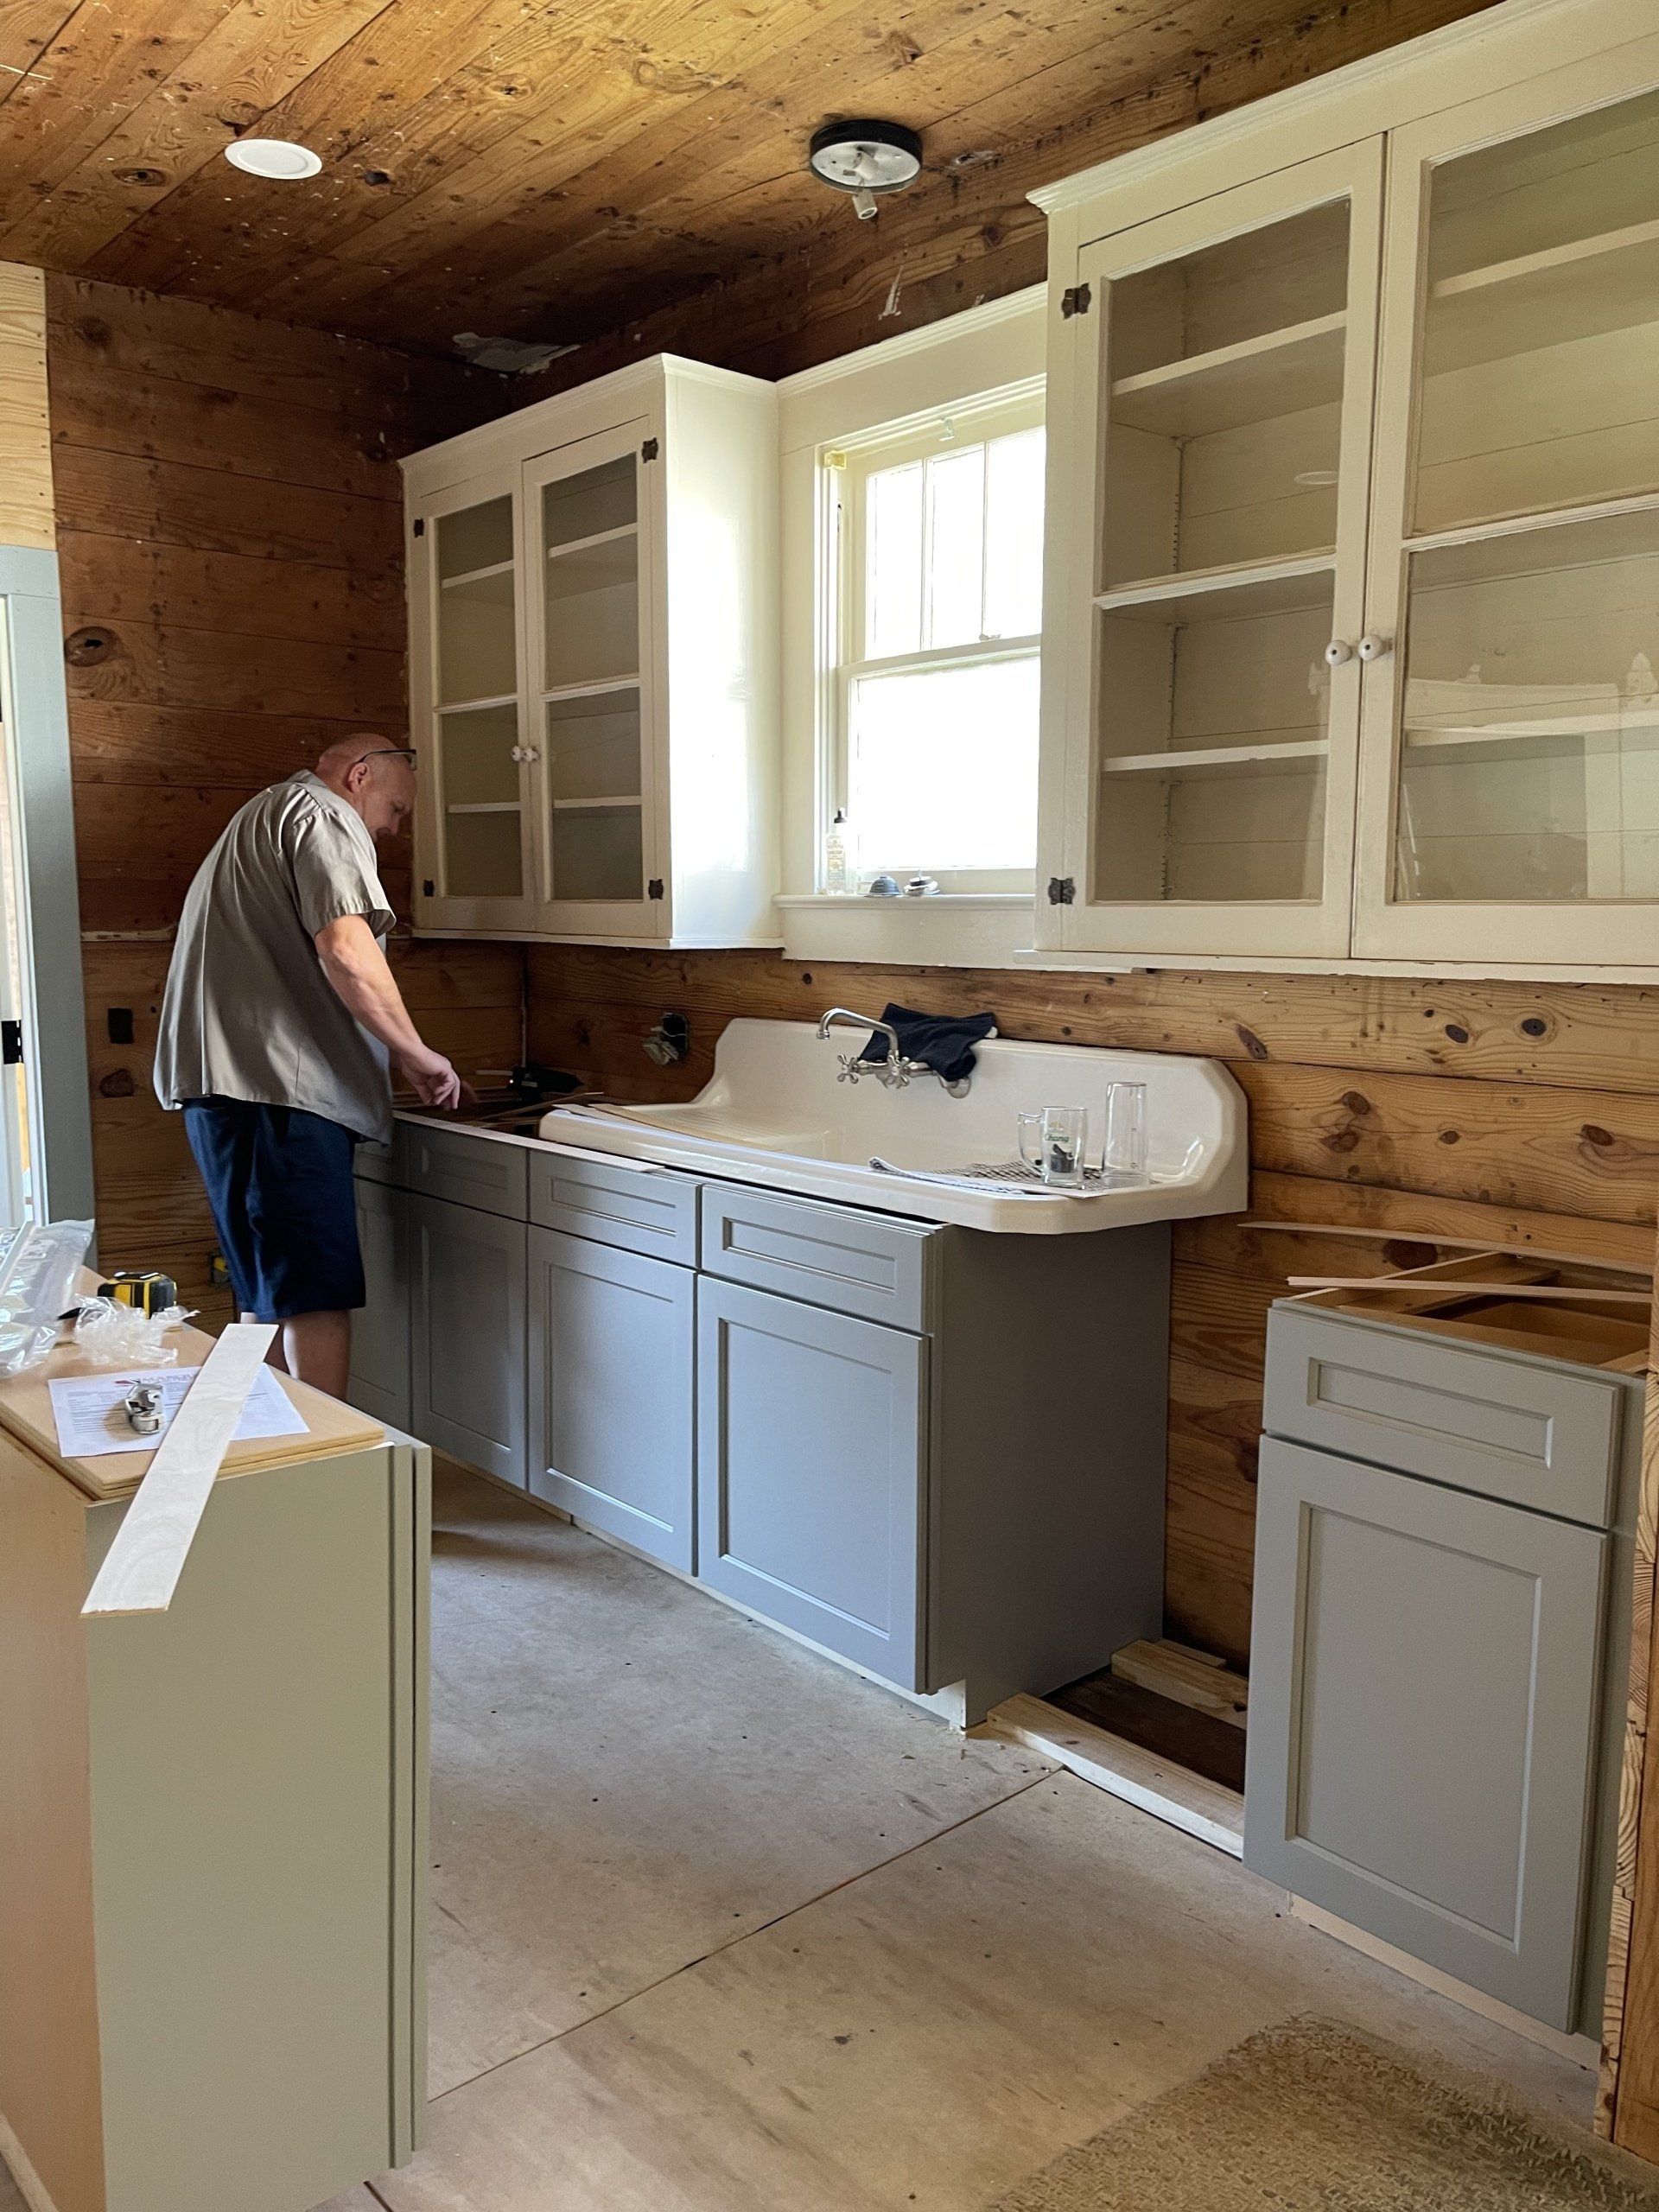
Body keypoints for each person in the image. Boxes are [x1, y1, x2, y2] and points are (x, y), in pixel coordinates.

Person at [155, 735, 467, 1398]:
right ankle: (328, 1479)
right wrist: (417, 1053)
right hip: (283, 1098)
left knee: (263, 1297)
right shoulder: (322, 816)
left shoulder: (262, 815)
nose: (392, 828)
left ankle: (268, 1466)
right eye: (396, 809)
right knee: (314, 1297)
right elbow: (348, 950)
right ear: (359, 776)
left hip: (229, 1095)